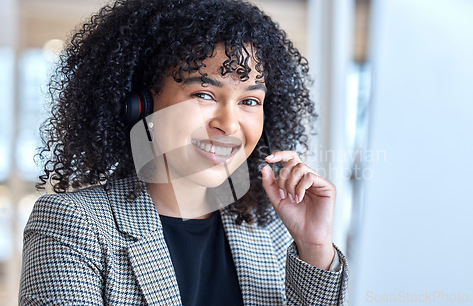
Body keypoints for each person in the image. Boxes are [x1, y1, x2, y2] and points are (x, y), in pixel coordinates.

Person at [19, 0, 348, 304]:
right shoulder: (73, 224)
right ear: (141, 106)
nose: (229, 125)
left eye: (249, 101)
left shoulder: (273, 230)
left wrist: (314, 247)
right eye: (204, 94)